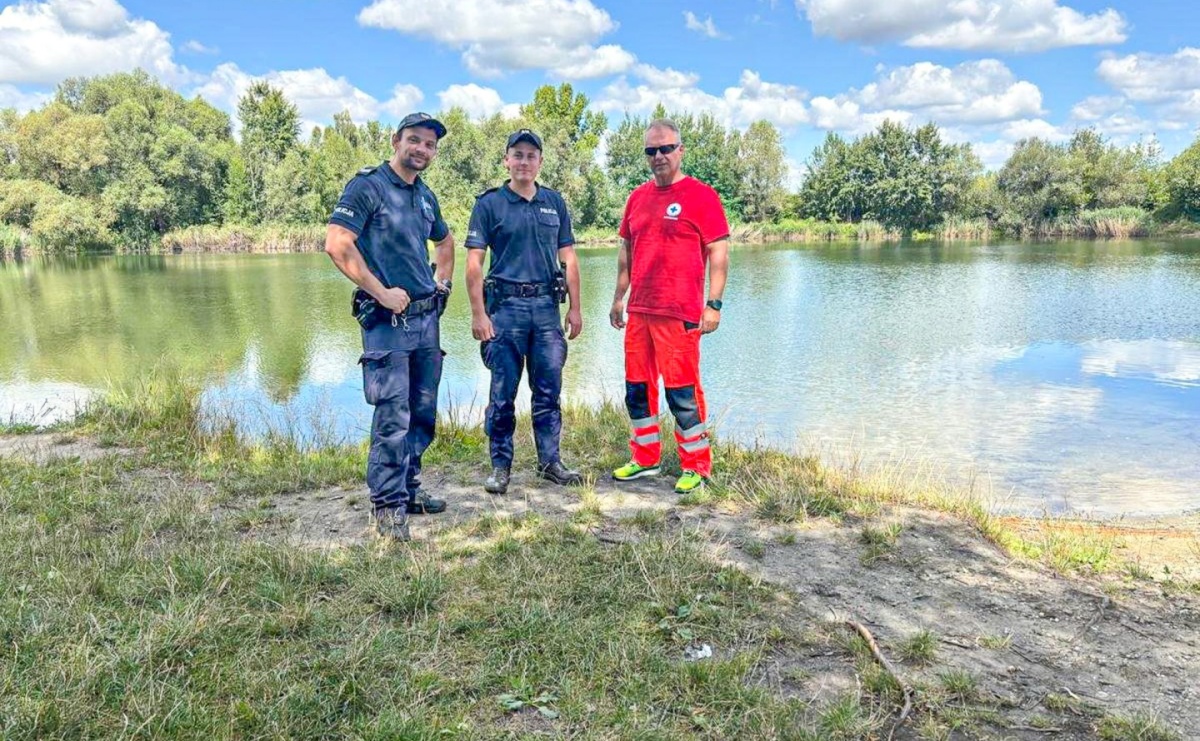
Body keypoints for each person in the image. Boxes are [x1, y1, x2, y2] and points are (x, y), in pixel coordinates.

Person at [324, 112, 455, 541]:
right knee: (393, 416)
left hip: (425, 321)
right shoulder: (368, 186)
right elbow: (337, 243)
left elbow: (445, 241)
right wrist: (380, 292)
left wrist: (443, 284)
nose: (422, 149)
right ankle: (387, 506)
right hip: (388, 323)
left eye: (430, 145)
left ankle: (409, 490)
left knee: (422, 412)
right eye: (414, 140)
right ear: (396, 140)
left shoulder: (425, 195)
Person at [609, 118, 730, 494]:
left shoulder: (702, 196)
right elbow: (626, 251)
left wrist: (713, 305)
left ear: (680, 150)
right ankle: (645, 459)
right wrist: (618, 297)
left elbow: (719, 252)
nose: (658, 156)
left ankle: (696, 465)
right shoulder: (637, 198)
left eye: (665, 148)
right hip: (640, 311)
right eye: (651, 150)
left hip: (680, 314)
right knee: (637, 388)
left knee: (682, 393)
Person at [465, 128, 584, 495]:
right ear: (506, 160)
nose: (524, 162)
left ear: (540, 162)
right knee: (503, 395)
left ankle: (550, 462)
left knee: (548, 391)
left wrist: (576, 308)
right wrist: (478, 314)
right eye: (517, 155)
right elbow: (474, 263)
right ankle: (500, 467)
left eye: (531, 156)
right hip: (505, 310)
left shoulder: (554, 202)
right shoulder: (489, 204)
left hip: (547, 311)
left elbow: (569, 258)